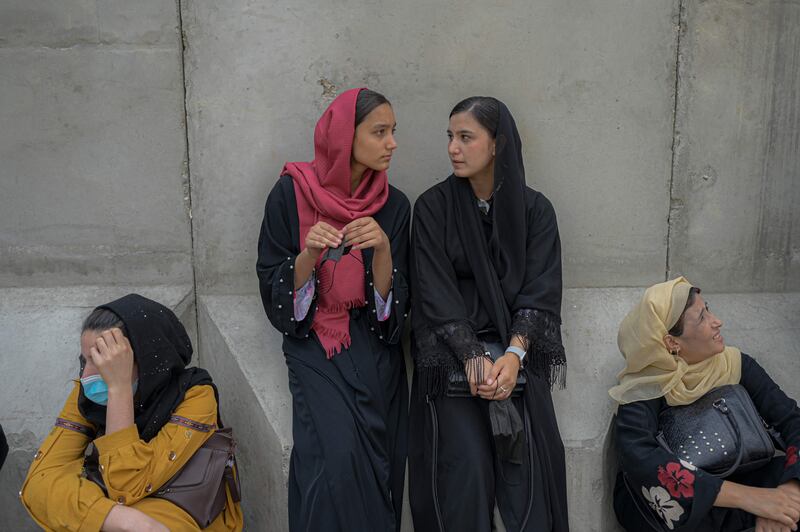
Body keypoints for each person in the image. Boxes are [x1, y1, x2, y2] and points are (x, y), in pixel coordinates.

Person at [408, 96, 569, 531]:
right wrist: (472, 356)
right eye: (450, 137)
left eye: (466, 137)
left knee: (527, 485)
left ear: (497, 144)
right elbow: (434, 291)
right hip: (453, 361)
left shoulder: (536, 212)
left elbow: (540, 290)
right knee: (465, 478)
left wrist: (514, 357)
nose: (453, 149)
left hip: (515, 361)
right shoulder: (432, 208)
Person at [256, 88, 410, 531]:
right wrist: (308, 256)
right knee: (334, 460)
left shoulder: (394, 206)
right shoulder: (290, 194)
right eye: (379, 132)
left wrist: (381, 249)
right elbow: (272, 279)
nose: (392, 143)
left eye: (393, 132)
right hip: (314, 344)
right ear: (346, 137)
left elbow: (395, 310)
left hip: (375, 352)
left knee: (381, 462)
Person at [19, 294, 243, 531]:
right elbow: (37, 484)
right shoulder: (87, 392)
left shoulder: (195, 395)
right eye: (85, 361)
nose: (85, 376)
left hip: (181, 511)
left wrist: (119, 388)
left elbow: (128, 484)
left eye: (104, 361)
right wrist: (126, 521)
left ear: (145, 361)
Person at [610, 277, 800, 531]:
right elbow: (640, 458)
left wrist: (787, 496)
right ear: (672, 343)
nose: (716, 321)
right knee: (661, 499)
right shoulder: (647, 385)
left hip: (741, 472)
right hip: (688, 502)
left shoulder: (735, 364)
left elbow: (792, 421)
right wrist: (754, 500)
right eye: (701, 317)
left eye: (708, 308)